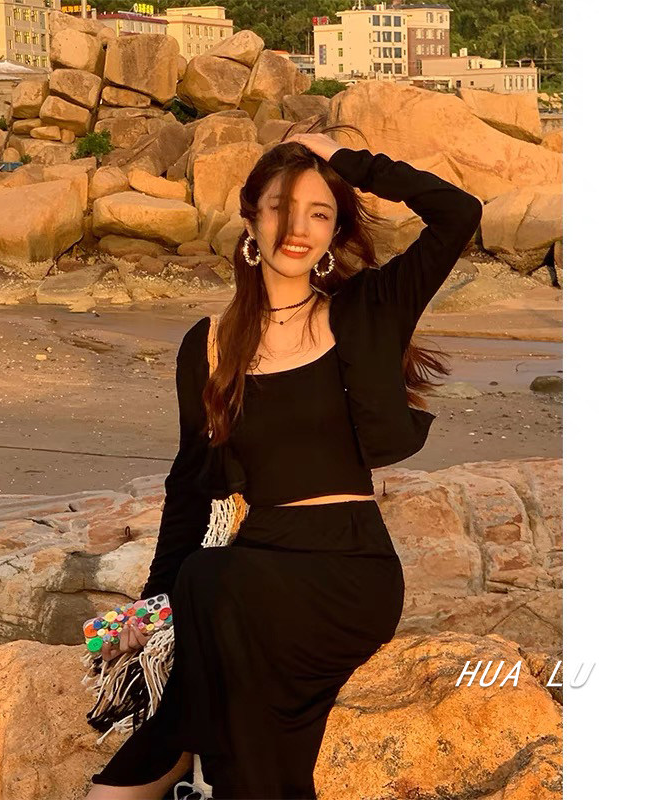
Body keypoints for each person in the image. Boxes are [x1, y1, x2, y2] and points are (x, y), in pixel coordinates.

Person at [87, 126, 483, 799]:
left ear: (334, 233)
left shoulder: (367, 309)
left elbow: (459, 212)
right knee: (206, 585)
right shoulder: (209, 346)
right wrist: (153, 608)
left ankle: (178, 757)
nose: (297, 229)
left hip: (349, 569)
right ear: (250, 220)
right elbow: (191, 488)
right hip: (256, 563)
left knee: (212, 584)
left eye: (318, 213)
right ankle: (183, 762)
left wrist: (344, 160)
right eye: (279, 208)